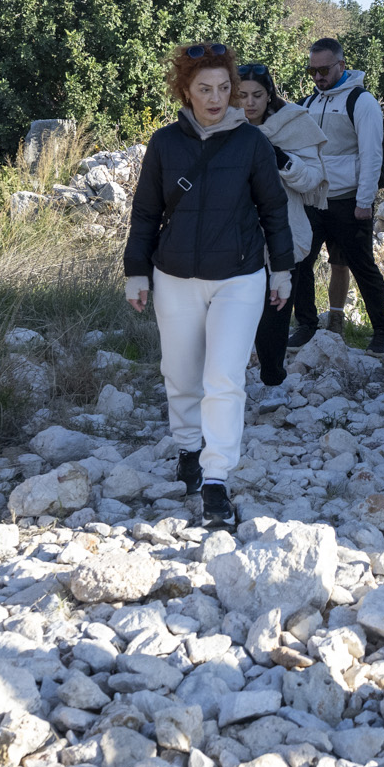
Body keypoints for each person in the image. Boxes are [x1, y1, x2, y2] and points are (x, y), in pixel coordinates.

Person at [125, 43, 297, 531]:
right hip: (174, 276)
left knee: (224, 377)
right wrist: (135, 271)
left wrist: (280, 269)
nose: (218, 98)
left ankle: (216, 476)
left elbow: (273, 211)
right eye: (206, 89)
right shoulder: (164, 144)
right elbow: (145, 213)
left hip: (239, 277)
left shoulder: (253, 144)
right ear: (186, 91)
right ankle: (187, 446)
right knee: (180, 374)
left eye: (226, 88)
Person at [289, 38, 384, 354]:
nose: (318, 77)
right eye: (312, 70)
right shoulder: (308, 104)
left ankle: (381, 331)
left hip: (349, 202)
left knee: (362, 266)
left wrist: (365, 202)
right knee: (299, 262)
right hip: (312, 199)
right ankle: (306, 325)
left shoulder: (361, 102)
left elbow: (371, 154)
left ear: (341, 65)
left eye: (323, 69)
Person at [234, 62, 327, 409]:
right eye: (241, 95)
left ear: (269, 94)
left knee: (275, 310)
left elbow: (311, 180)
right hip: (233, 233)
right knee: (234, 309)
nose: (249, 103)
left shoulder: (293, 124)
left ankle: (273, 381)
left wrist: (278, 158)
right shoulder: (222, 126)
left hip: (283, 230)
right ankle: (226, 381)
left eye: (257, 95)